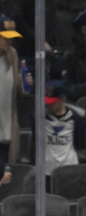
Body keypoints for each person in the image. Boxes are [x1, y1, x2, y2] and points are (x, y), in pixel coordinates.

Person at [0, 14, 26, 184]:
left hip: (7, 125)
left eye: (11, 38)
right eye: (5, 38)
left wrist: (25, 82)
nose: (10, 42)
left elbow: (18, 90)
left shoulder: (13, 55)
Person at [42, 80, 86, 175]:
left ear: (62, 99)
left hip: (69, 166)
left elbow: (79, 142)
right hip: (47, 168)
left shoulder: (76, 119)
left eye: (53, 102)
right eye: (47, 102)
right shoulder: (40, 118)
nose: (49, 105)